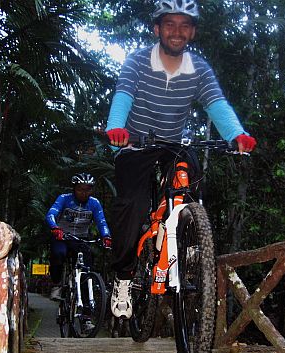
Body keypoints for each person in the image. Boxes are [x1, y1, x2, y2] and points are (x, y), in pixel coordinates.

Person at [105, 0, 257, 319]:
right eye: (170, 24)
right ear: (157, 29)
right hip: (134, 144)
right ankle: (124, 276)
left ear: (192, 32)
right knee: (132, 206)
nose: (177, 31)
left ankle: (187, 239)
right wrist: (116, 128)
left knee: (191, 179)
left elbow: (216, 103)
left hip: (173, 143)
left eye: (184, 25)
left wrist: (237, 134)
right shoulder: (137, 61)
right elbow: (123, 95)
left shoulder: (198, 69)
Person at [46, 172, 112, 301]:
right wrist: (54, 227)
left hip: (81, 239)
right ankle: (56, 285)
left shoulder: (94, 203)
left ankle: (86, 302)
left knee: (87, 266)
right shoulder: (64, 198)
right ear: (74, 189)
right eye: (80, 189)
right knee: (58, 254)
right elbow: (51, 214)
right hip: (62, 236)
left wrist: (106, 236)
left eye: (88, 190)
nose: (84, 193)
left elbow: (101, 221)